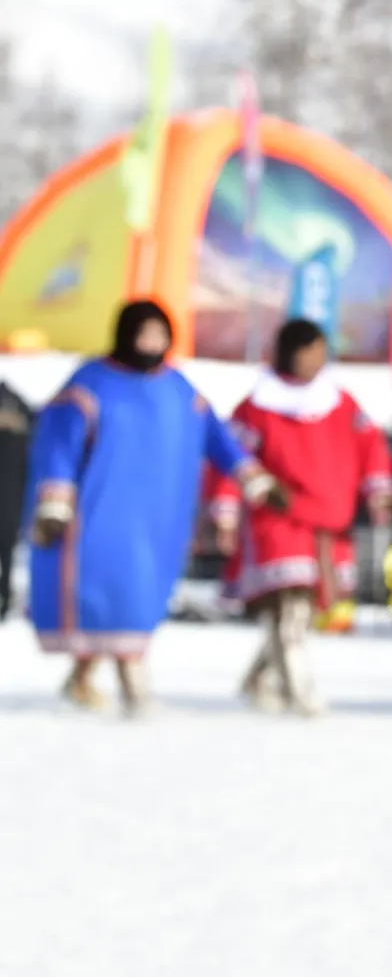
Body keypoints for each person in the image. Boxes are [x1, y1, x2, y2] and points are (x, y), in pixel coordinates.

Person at [25, 301, 277, 714]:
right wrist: (54, 501)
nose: (152, 343)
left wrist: (253, 477)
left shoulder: (179, 388)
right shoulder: (91, 385)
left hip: (159, 515)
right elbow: (58, 445)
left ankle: (82, 678)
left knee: (142, 596)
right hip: (102, 512)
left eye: (160, 335)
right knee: (112, 595)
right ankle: (132, 683)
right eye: (144, 334)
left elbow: (217, 437)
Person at [218, 319, 392, 716]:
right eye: (307, 350)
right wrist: (226, 511)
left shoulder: (340, 402)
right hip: (278, 517)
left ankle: (258, 677)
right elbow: (231, 460)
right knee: (291, 607)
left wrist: (378, 492)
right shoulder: (257, 407)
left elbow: (371, 447)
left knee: (303, 612)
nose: (314, 359)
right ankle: (300, 693)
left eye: (319, 350)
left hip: (329, 522)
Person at [0, 378, 33, 620]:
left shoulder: (13, 400)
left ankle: (5, 595)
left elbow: (36, 425)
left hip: (9, 490)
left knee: (7, 545)